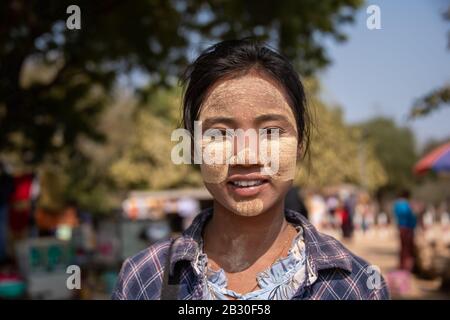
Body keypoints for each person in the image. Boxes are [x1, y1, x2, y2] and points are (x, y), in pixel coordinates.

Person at [112, 39, 389, 300]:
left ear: (300, 144)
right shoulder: (144, 278)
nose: (246, 157)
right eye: (220, 134)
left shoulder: (357, 286)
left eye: (270, 131)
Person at [393, 190, 417, 271]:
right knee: (408, 248)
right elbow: (411, 216)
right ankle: (407, 266)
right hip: (408, 228)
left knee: (403, 247)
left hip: (401, 227)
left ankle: (402, 264)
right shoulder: (407, 205)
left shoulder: (397, 204)